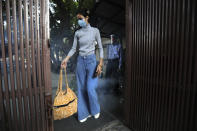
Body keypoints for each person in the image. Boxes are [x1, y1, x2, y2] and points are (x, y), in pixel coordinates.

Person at [61, 10, 104, 123]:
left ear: (87, 18)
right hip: (80, 61)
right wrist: (66, 58)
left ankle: (95, 110)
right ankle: (84, 113)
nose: (79, 21)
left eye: (81, 18)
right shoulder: (77, 33)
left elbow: (100, 47)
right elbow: (74, 49)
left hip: (91, 61)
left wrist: (100, 63)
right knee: (81, 88)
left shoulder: (95, 31)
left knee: (90, 88)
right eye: (78, 19)